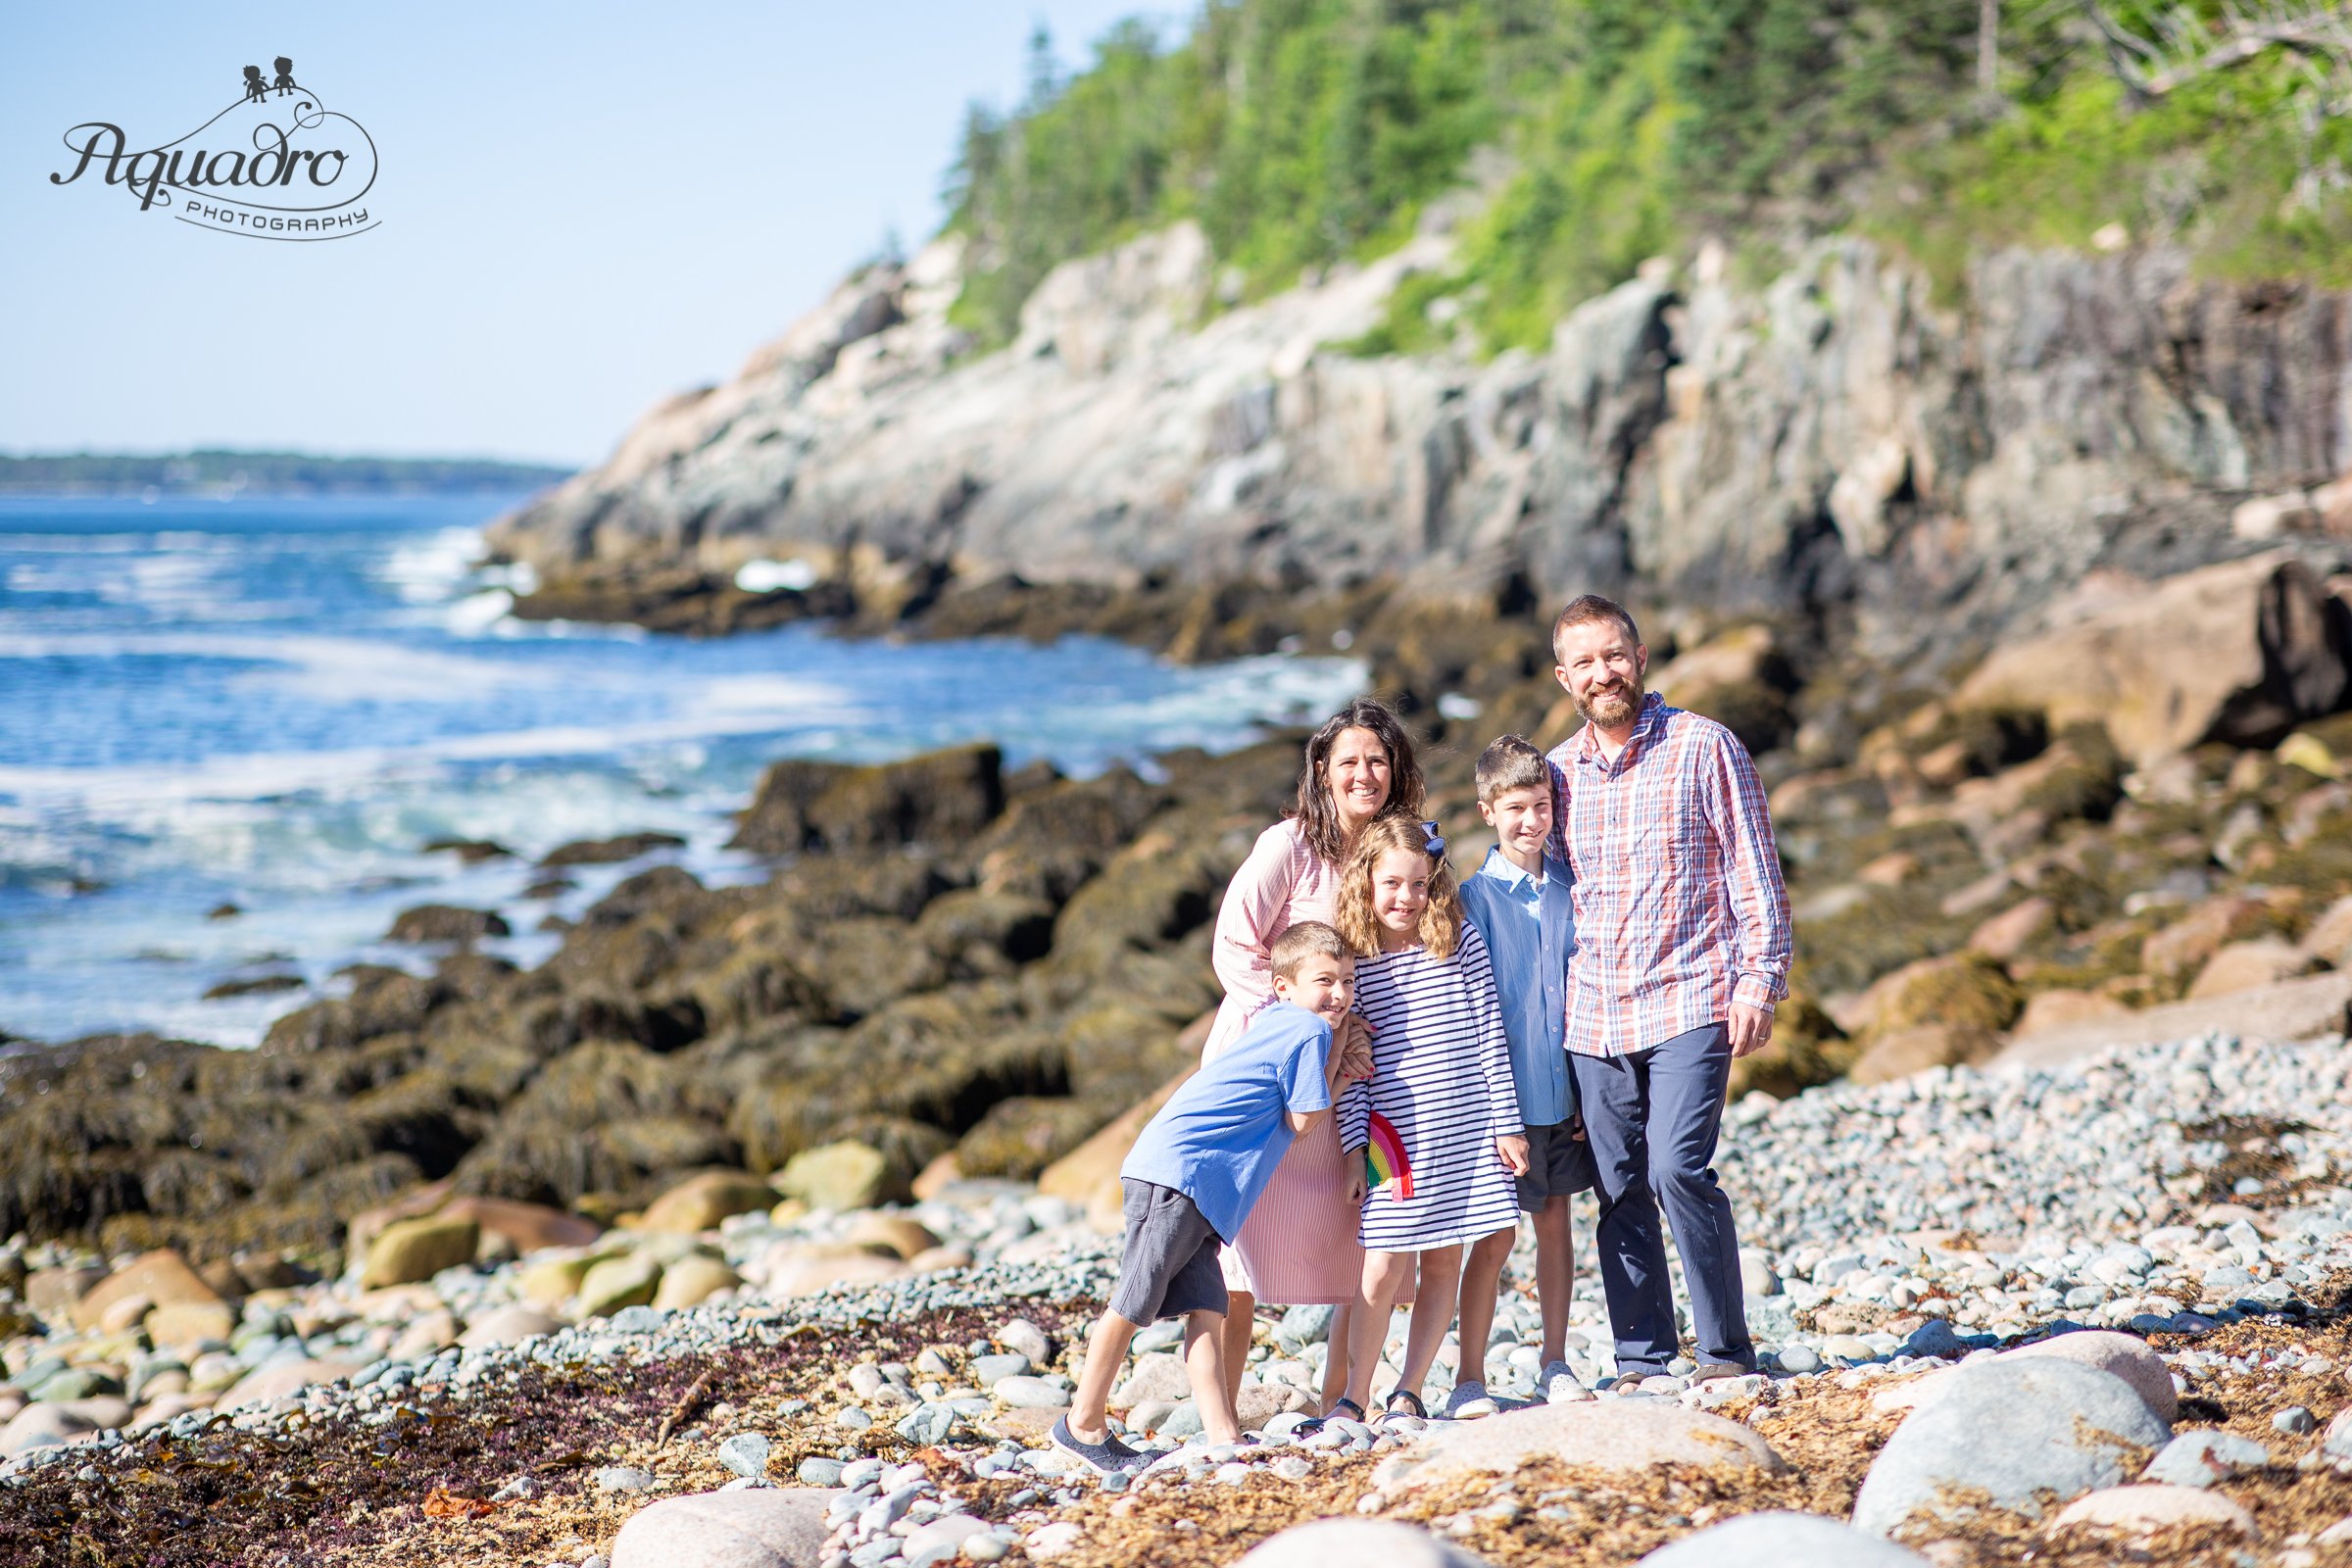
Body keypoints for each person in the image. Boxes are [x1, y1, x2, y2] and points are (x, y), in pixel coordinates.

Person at [1545, 594, 1792, 1384]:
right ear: (1563, 678)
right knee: (1617, 1189)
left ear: (1641, 657)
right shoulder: (1554, 775)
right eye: (1584, 662)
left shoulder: (1703, 745)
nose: (1602, 673)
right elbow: (1539, 900)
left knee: (1677, 1169)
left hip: (1692, 997)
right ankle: (1644, 1358)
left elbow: (1758, 871)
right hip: (1593, 1018)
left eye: (1613, 654)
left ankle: (1725, 1352)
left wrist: (1762, 979)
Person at [1054, 922, 1361, 1471]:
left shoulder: (1275, 1021)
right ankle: (1081, 1423)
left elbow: (1291, 1117)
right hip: (1180, 1176)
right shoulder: (1308, 1031)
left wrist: (1332, 1066)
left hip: (1196, 1187)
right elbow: (1304, 1120)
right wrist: (1339, 1048)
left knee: (1208, 1308)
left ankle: (1223, 1435)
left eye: (1347, 981)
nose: (1338, 994)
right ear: (1284, 986)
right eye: (1325, 981)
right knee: (1133, 1300)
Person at [1201, 698, 1425, 1408]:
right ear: (1323, 771)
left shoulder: (1399, 850)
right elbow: (1234, 947)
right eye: (1349, 761)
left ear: (1396, 769)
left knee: (1356, 1239)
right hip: (1264, 1068)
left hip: (1348, 1079)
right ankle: (1220, 1420)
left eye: (1378, 759)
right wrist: (1300, 1032)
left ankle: (1342, 1406)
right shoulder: (1288, 846)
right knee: (1236, 1255)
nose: (1365, 773)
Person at [1332, 816, 1526, 1425]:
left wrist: (1508, 1123)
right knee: (1383, 1261)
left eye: (1418, 885)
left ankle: (1409, 1390)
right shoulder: (1353, 963)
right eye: (1391, 883)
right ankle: (1352, 1395)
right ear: (1366, 882)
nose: (1405, 898)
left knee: (1445, 1257)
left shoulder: (1458, 940)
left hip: (1466, 1126)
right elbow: (1354, 1067)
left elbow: (1491, 1034)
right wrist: (1350, 1150)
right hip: (1392, 1137)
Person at [1448, 734, 1591, 1418]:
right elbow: (1468, 1007)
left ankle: (1555, 1361)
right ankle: (1468, 1376)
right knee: (1495, 1234)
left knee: (1555, 1222)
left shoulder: (1572, 887)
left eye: (1540, 807)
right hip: (1496, 1101)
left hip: (1563, 1093)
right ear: (1487, 812)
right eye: (1514, 809)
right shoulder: (1473, 899)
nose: (1529, 821)